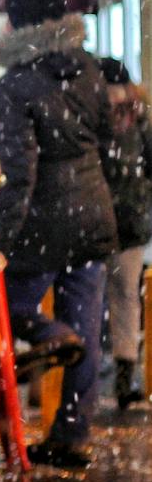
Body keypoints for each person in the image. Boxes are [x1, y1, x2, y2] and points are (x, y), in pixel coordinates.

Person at [0, 0, 117, 470]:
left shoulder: (12, 86)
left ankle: (49, 333)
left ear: (14, 26)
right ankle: (73, 436)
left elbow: (21, 173)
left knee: (8, 306)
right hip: (93, 213)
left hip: (43, 220)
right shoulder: (91, 73)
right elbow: (104, 137)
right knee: (85, 325)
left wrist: (0, 241)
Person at [99, 57, 152, 410]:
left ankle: (86, 378)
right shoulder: (140, 117)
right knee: (126, 299)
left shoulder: (94, 114)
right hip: (131, 222)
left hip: (97, 222)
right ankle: (123, 377)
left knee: (91, 299)